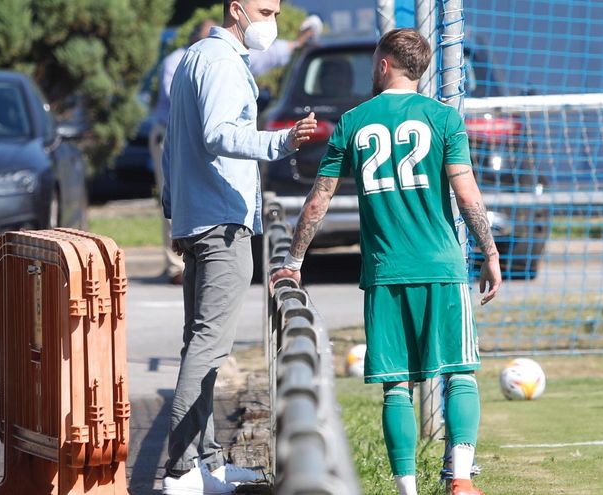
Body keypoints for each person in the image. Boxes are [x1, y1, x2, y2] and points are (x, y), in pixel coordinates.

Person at [270, 29, 503, 495]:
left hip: (384, 271)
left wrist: (294, 260)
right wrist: (490, 253)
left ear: (383, 64)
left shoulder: (354, 122)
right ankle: (459, 478)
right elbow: (466, 193)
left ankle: (406, 490)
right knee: (459, 373)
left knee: (396, 386)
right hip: (442, 267)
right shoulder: (444, 118)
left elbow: (318, 200)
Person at [160, 0, 318, 493]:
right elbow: (217, 134)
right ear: (237, 10)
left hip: (197, 217)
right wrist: (281, 142)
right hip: (221, 221)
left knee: (199, 343)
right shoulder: (223, 62)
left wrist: (174, 207)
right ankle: (183, 470)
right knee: (209, 347)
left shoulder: (193, 57)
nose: (272, 22)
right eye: (265, 11)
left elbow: (172, 144)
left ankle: (206, 461)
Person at [150, 18, 218, 284]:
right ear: (194, 37)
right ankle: (175, 265)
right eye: (206, 36)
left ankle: (196, 255)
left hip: (197, 136)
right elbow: (179, 96)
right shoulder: (177, 61)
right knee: (172, 193)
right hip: (170, 134)